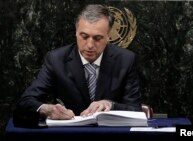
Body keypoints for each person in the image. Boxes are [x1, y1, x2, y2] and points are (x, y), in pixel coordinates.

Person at [14, 4, 142, 122]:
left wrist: (111, 105)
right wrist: (46, 109)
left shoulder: (126, 60)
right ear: (76, 33)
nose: (90, 45)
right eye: (84, 36)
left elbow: (135, 110)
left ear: (108, 37)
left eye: (97, 38)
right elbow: (25, 102)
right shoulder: (56, 60)